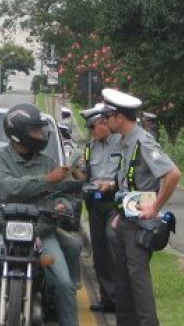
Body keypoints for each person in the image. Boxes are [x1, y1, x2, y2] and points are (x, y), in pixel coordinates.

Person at [0, 103, 79, 326]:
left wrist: (62, 205)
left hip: (42, 234)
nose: (42, 134)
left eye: (41, 129)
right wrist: (46, 180)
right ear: (19, 134)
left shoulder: (49, 162)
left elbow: (63, 193)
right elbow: (7, 188)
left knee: (63, 283)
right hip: (3, 231)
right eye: (36, 130)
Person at [102, 89, 181, 326]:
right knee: (124, 282)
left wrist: (155, 208)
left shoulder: (143, 141)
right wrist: (120, 213)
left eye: (109, 116)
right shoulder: (127, 142)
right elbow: (128, 184)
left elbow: (173, 174)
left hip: (140, 225)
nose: (105, 121)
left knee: (138, 281)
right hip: (127, 219)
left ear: (119, 118)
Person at [79, 102, 122, 313]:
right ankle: (107, 299)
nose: (91, 132)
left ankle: (120, 298)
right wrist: (73, 171)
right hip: (95, 202)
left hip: (115, 200)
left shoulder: (122, 143)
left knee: (112, 240)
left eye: (92, 127)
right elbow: (85, 175)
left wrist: (112, 184)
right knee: (100, 250)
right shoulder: (89, 148)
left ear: (104, 123)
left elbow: (129, 175)